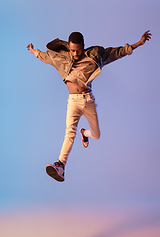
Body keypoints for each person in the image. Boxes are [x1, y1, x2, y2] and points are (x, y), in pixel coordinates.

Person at [27, 30, 152, 182]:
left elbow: (117, 52)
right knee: (69, 133)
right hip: (73, 101)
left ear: (83, 46)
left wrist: (138, 43)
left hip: (88, 100)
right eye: (72, 50)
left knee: (97, 135)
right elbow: (45, 57)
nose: (75, 54)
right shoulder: (61, 57)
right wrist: (34, 51)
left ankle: (85, 133)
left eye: (78, 50)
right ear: (69, 47)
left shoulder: (95, 55)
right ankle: (60, 166)